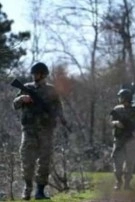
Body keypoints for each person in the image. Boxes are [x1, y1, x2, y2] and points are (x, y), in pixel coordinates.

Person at [13, 62, 67, 200]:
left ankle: (40, 191)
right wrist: (21, 98)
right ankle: (27, 188)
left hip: (46, 130)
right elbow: (15, 105)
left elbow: (58, 108)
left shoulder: (51, 90)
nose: (35, 76)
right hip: (29, 130)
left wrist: (62, 120)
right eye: (34, 74)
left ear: (44, 75)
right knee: (27, 160)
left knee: (45, 160)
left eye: (37, 74)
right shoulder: (26, 88)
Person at [109, 88, 135, 190]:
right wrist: (116, 123)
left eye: (121, 97)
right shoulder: (117, 109)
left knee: (130, 162)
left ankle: (127, 183)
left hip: (131, 139)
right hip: (119, 139)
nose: (119, 98)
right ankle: (118, 182)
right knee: (117, 161)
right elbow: (110, 121)